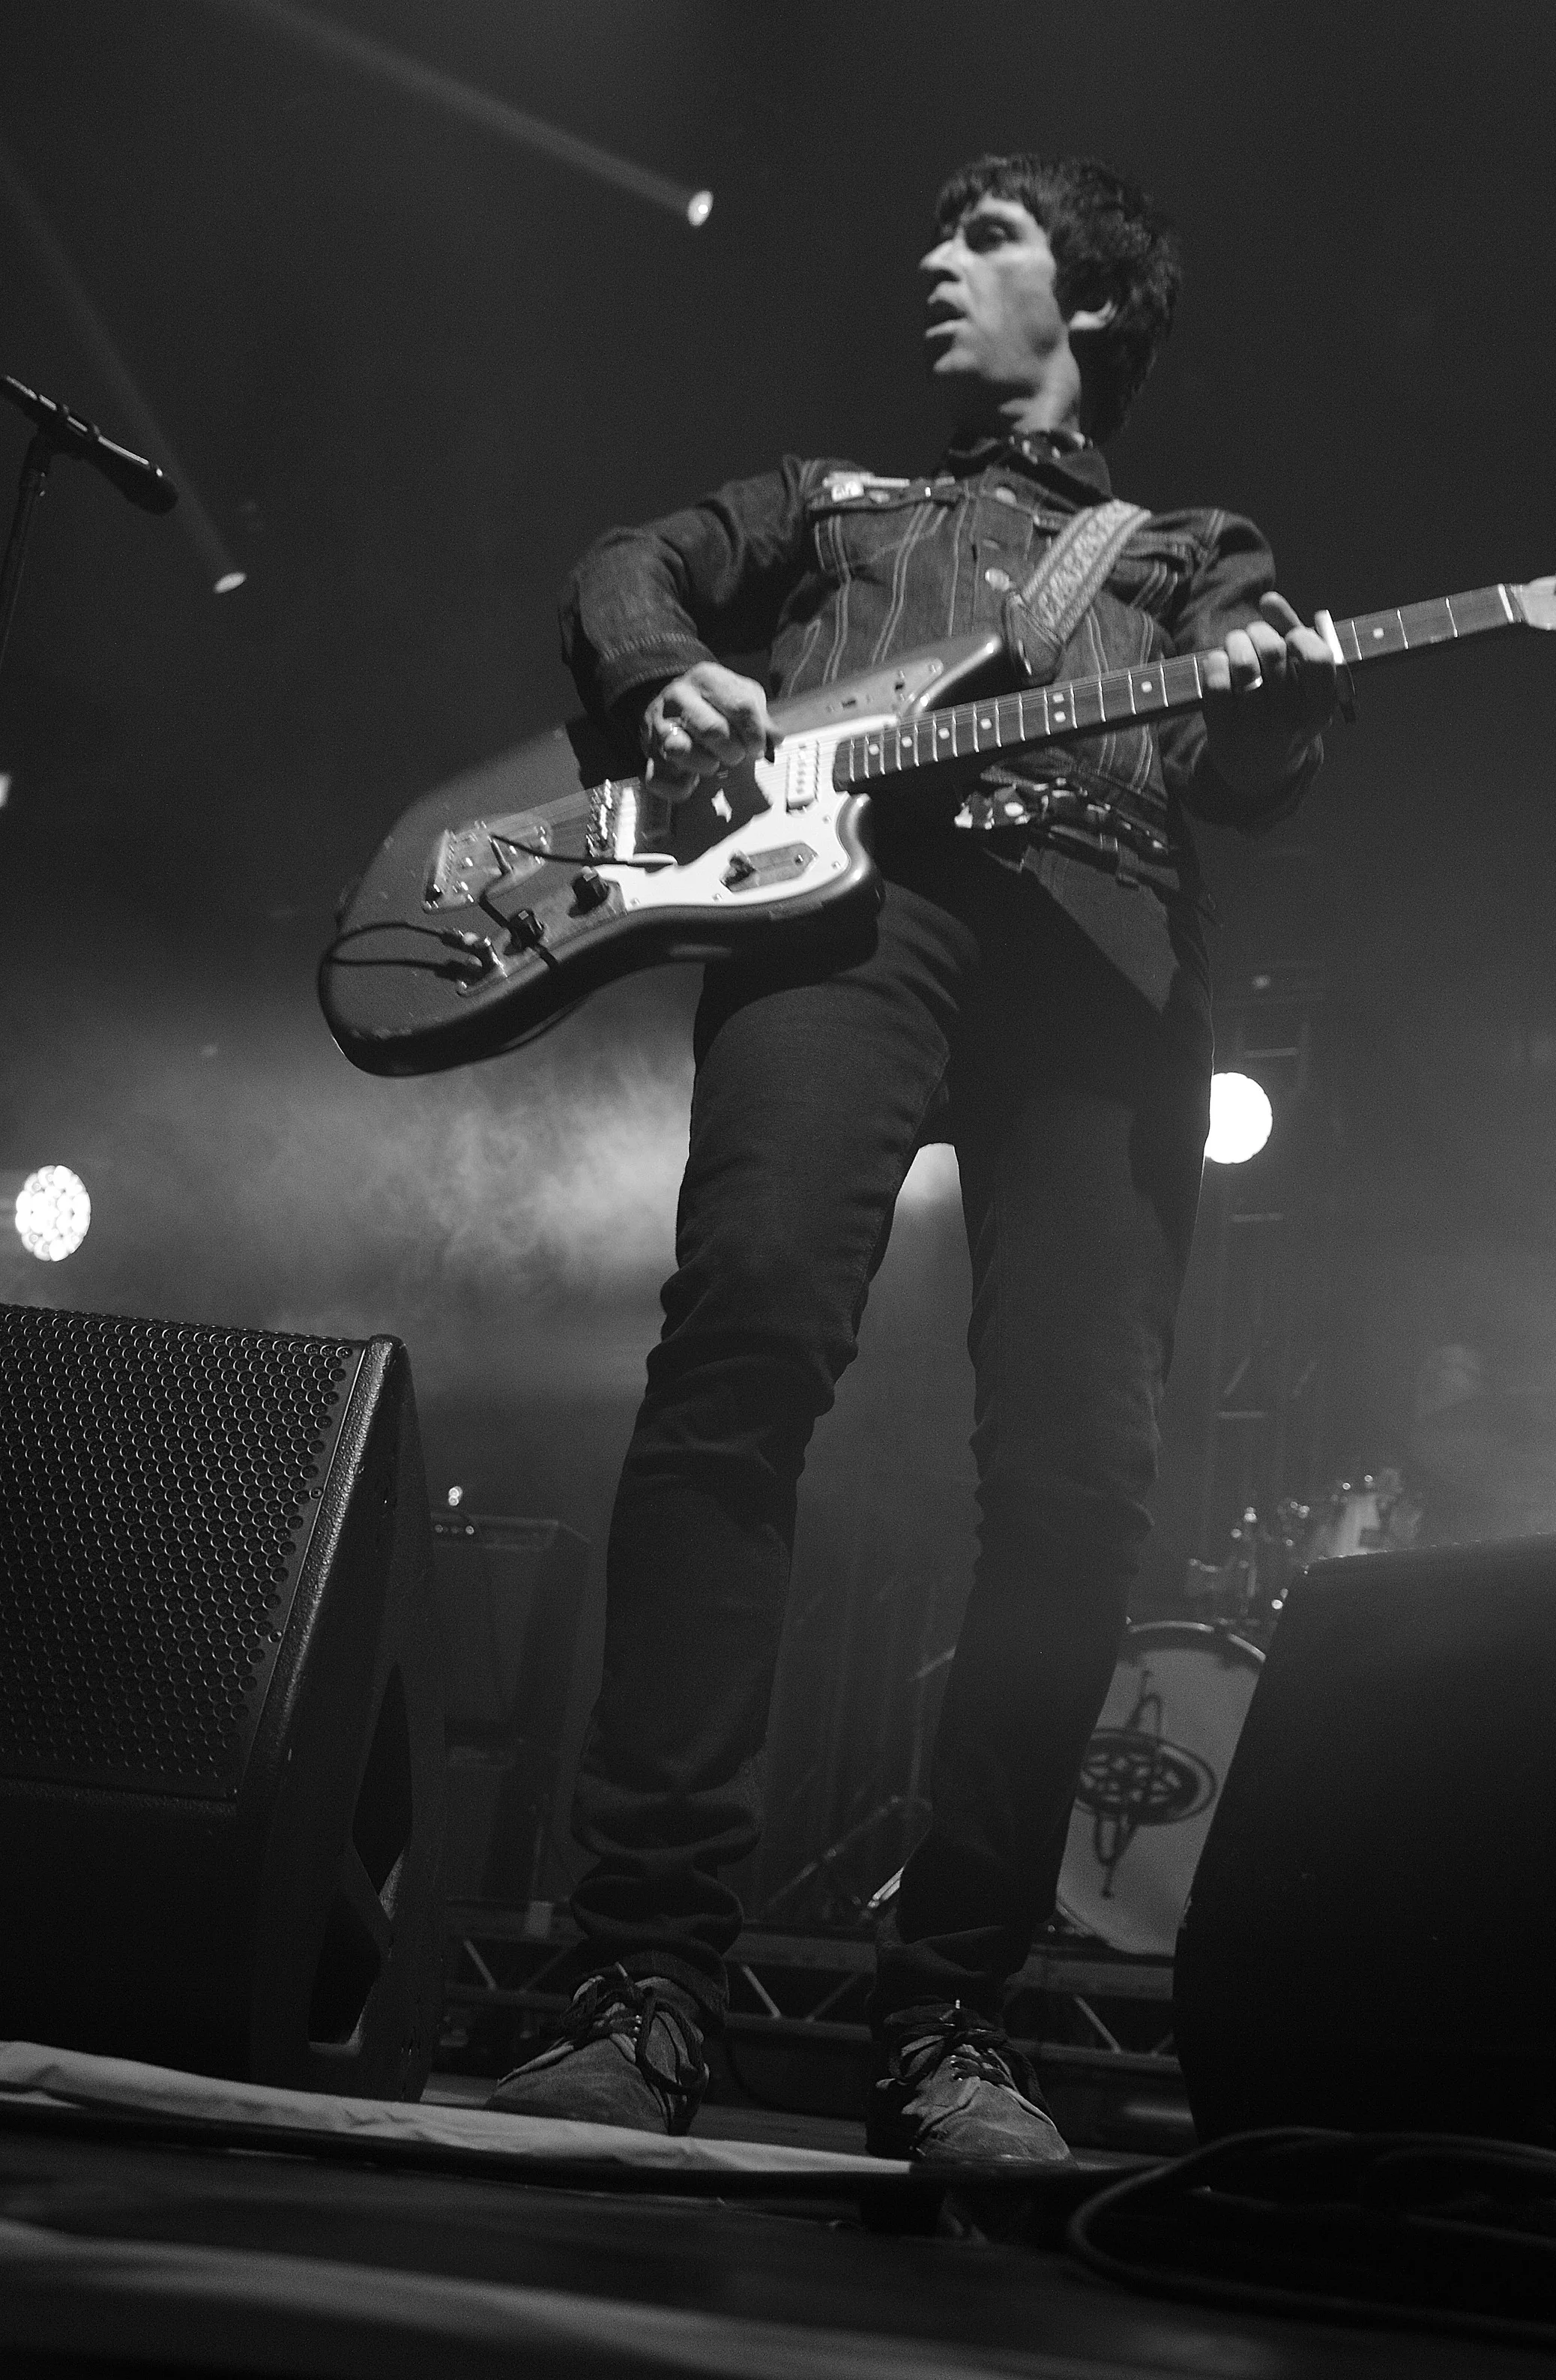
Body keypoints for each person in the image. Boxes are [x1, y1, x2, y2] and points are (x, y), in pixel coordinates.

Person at [488, 154, 1339, 2162]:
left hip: (1097, 954)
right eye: (937, 229)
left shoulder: (1191, 549)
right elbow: (629, 562)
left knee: (1074, 1478)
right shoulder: (834, 500)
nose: (931, 265)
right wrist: (662, 672)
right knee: (741, 1360)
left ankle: (956, 2018)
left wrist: (1282, 716)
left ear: (1098, 307)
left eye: (985, 239)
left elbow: (1248, 774)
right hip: (835, 925)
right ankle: (642, 1975)